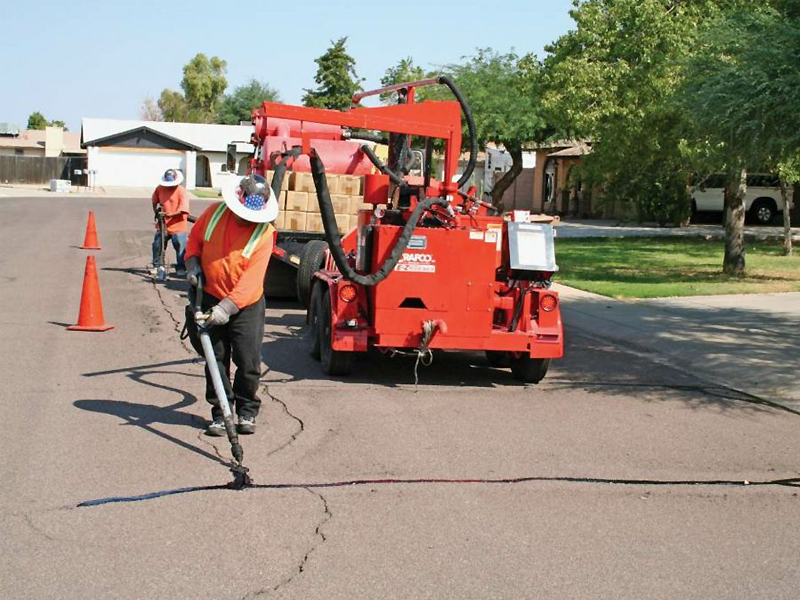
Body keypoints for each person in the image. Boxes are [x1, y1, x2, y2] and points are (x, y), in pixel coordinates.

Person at [185, 174, 278, 436]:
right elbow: (194, 240)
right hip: (210, 295)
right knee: (216, 359)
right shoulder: (214, 213)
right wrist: (192, 262)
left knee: (247, 361)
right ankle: (220, 413)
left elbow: (249, 283)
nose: (246, 220)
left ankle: (247, 410)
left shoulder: (265, 234)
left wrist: (226, 309)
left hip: (246, 305)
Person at [151, 168, 190, 277]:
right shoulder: (160, 188)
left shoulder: (181, 191)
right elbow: (154, 201)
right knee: (157, 244)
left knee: (180, 247)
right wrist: (156, 212)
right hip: (163, 224)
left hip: (178, 225)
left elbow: (183, 209)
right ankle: (157, 265)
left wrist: (169, 214)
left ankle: (181, 267)